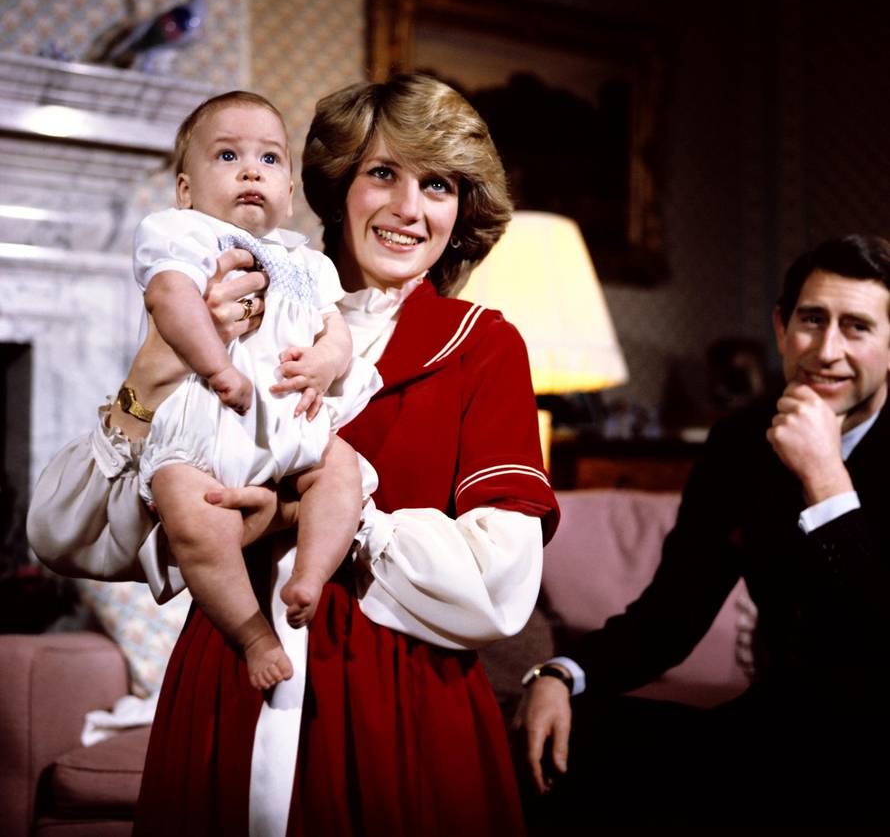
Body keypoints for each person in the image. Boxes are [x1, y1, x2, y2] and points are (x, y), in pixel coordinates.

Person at [29, 73, 559, 836]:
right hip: (223, 700)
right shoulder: (228, 306)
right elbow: (63, 536)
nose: (410, 209)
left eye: (438, 184)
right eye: (383, 174)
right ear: (339, 186)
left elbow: (498, 586)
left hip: (400, 717)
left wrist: (301, 511)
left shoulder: (481, 346)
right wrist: (157, 364)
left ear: (462, 208)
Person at [516, 234, 890, 827]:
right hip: (779, 728)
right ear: (780, 327)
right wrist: (562, 674)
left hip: (879, 741)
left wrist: (824, 476)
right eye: (812, 320)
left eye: (857, 328)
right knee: (565, 737)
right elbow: (671, 616)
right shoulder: (741, 442)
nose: (826, 349)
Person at [132, 90, 381, 690]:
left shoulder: (308, 263)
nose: (250, 170)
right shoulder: (183, 234)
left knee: (341, 467)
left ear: (289, 194)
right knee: (190, 509)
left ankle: (310, 578)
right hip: (208, 425)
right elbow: (169, 299)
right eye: (227, 156)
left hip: (288, 425)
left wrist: (324, 362)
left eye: (269, 159)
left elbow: (337, 331)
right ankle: (249, 631)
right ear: (186, 189)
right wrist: (218, 366)